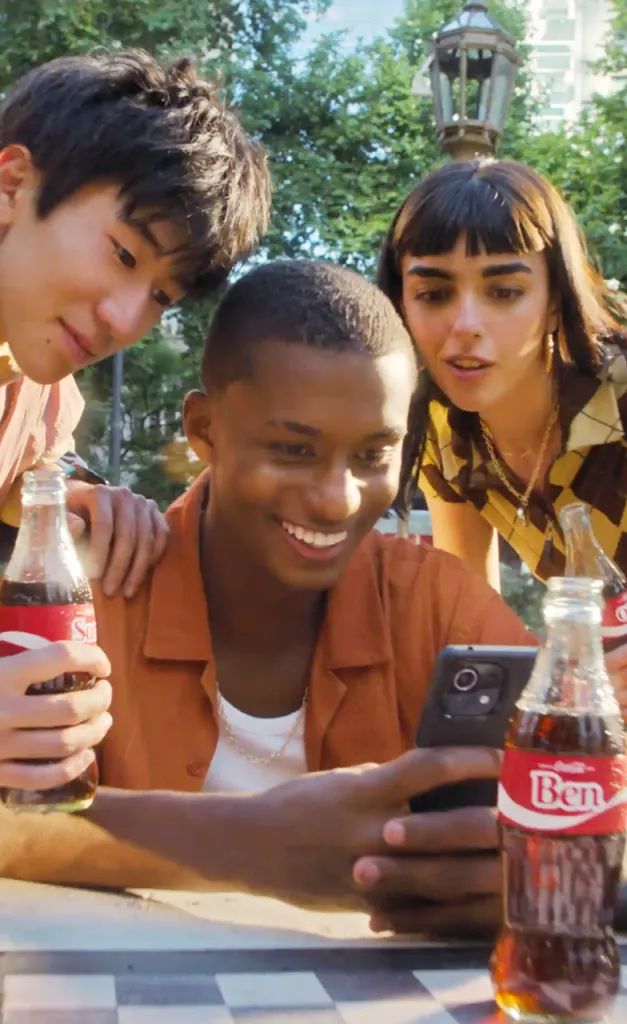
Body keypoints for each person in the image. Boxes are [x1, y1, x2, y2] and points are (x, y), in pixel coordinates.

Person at [0, 260, 538, 938]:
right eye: (292, 449)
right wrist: (251, 843)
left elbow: (587, 795)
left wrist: (528, 872)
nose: (337, 497)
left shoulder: (434, 603)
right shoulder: (89, 602)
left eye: (374, 456)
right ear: (204, 431)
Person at [0, 48, 271, 795]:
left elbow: (35, 468)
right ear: (12, 184)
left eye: (160, 297)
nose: (126, 318)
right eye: (123, 253)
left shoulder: (42, 394)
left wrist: (78, 499)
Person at [376, 158, 627, 592]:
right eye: (433, 294)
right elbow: (471, 615)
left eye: (505, 292)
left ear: (555, 301)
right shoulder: (442, 429)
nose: (466, 323)